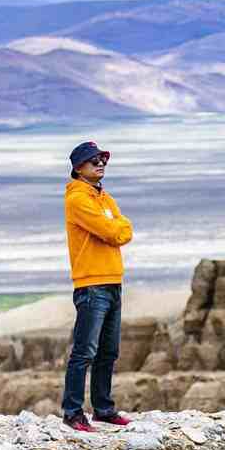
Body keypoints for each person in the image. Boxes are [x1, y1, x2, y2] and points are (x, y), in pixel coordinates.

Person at [60, 139, 134, 432]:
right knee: (84, 351)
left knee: (108, 351)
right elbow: (113, 230)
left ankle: (103, 409)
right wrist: (117, 227)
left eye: (103, 159)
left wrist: (118, 227)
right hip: (91, 284)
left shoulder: (105, 198)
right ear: (79, 168)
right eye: (94, 160)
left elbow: (123, 229)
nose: (101, 163)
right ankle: (73, 413)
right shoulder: (77, 200)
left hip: (112, 280)